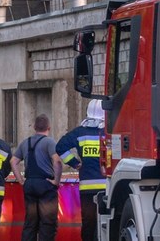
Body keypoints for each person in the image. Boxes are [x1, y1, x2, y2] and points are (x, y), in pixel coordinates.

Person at [55, 100, 107, 241]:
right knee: (107, 222)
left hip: (87, 186)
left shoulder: (79, 132)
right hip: (108, 186)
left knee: (89, 223)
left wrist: (75, 163)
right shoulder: (109, 131)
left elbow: (60, 147)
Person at [12, 114, 62, 241]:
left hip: (29, 184)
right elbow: (57, 161)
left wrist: (20, 180)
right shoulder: (49, 142)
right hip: (45, 185)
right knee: (47, 223)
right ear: (48, 128)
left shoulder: (25, 142)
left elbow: (13, 161)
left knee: (30, 222)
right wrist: (56, 181)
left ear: (34, 127)